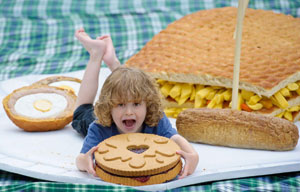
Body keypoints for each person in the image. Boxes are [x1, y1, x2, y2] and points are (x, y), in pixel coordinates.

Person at [72, 28, 199, 179]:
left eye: (137, 104)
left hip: (128, 98)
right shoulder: (99, 127)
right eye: (120, 105)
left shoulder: (156, 120)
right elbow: (80, 159)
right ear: (109, 106)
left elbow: (177, 139)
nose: (129, 112)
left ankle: (113, 62)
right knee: (81, 111)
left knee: (129, 86)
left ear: (148, 104)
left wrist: (193, 155)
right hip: (98, 118)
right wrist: (84, 162)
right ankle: (96, 54)